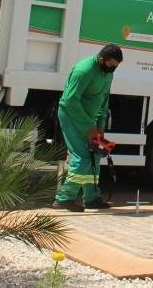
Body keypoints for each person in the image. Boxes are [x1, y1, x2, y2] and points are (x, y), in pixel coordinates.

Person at [53, 44, 122, 211]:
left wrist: (100, 127)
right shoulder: (83, 71)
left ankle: (91, 198)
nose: (112, 69)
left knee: (95, 155)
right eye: (111, 65)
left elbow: (103, 101)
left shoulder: (107, 74)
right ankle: (64, 198)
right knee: (83, 155)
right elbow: (70, 101)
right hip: (71, 116)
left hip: (89, 120)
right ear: (101, 59)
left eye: (116, 67)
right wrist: (88, 127)